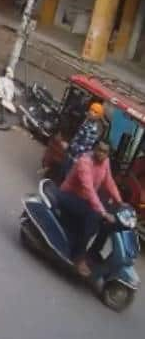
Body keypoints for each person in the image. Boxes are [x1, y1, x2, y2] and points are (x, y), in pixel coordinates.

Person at [57, 141, 123, 277]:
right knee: (93, 216)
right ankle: (78, 256)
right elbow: (89, 190)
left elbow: (109, 182)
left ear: (108, 154)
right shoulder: (84, 161)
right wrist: (102, 212)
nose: (101, 153)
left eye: (105, 151)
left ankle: (94, 252)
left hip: (85, 200)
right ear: (94, 149)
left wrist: (120, 202)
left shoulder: (105, 162)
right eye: (99, 149)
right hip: (69, 196)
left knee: (110, 219)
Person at [61, 102, 105, 179]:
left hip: (76, 160)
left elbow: (83, 147)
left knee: (68, 179)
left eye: (95, 112)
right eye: (91, 110)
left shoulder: (92, 130)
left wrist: (69, 146)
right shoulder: (86, 122)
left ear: (98, 117)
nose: (92, 113)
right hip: (71, 156)